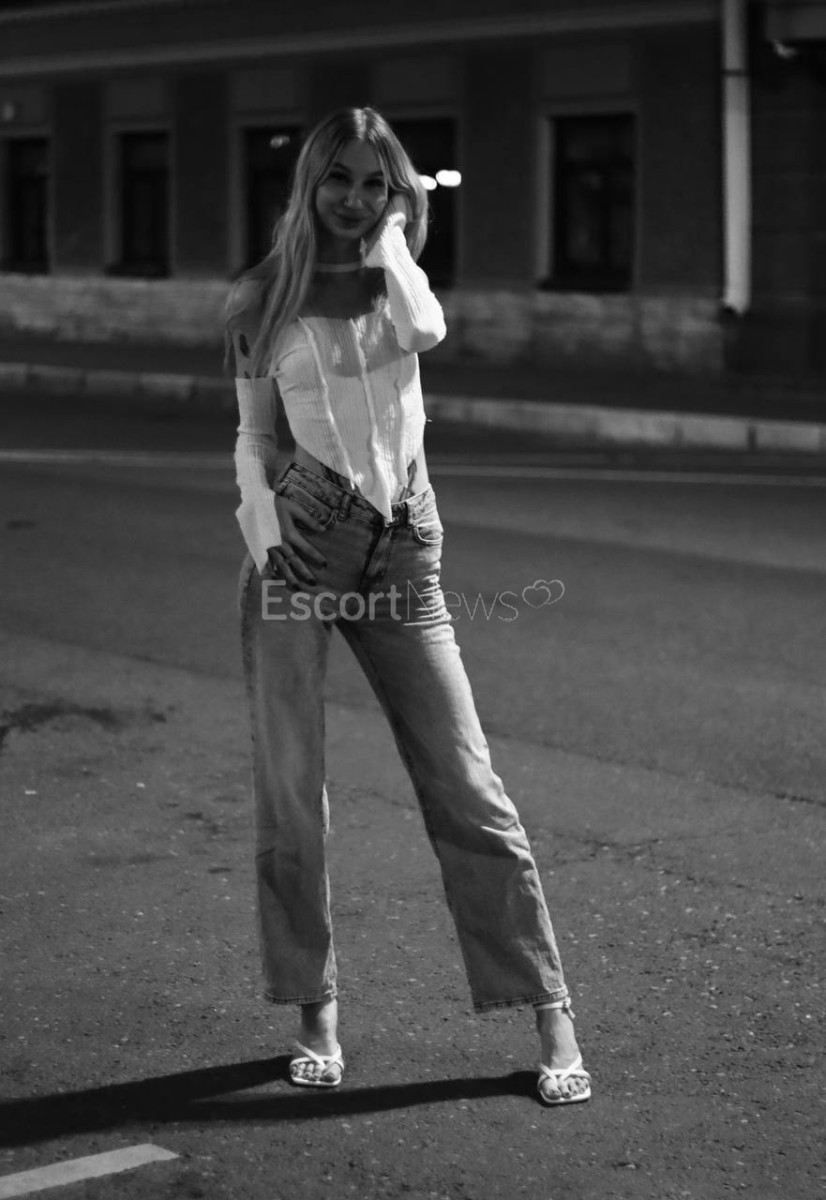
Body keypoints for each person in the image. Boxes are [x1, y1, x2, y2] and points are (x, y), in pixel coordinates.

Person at [226, 106, 591, 1107]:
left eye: (376, 182)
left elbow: (426, 330)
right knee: (294, 795)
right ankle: (314, 1007)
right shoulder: (262, 296)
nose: (354, 197)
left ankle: (547, 1003)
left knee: (468, 785)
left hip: (402, 553)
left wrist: (391, 243)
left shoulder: (400, 284)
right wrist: (261, 525)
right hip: (300, 550)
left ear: (397, 194)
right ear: (309, 183)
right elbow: (255, 436)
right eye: (339, 178)